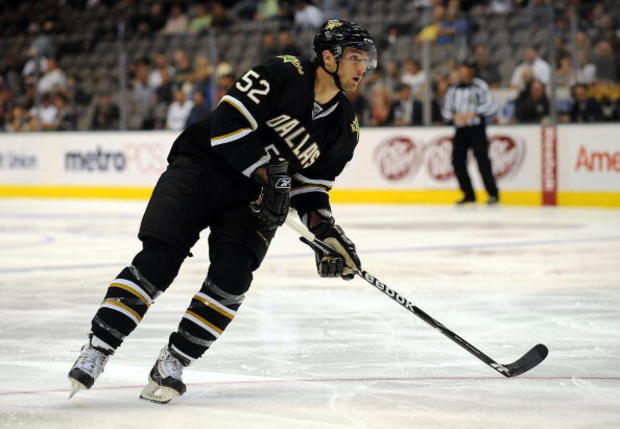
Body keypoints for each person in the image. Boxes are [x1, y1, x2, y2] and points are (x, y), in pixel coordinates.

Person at [68, 19, 376, 404]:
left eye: (366, 59)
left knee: (233, 278)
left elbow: (312, 189)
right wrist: (270, 174)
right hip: (202, 167)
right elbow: (228, 123)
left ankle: (173, 362)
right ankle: (99, 347)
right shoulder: (282, 72)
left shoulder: (345, 127)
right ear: (328, 57)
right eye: (354, 57)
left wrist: (327, 233)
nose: (363, 67)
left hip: (253, 197)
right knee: (159, 259)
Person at [442, 61, 499, 205]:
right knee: (457, 162)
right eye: (461, 72)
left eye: (465, 72)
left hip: (477, 128)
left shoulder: (480, 86)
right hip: (460, 130)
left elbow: (491, 106)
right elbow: (446, 109)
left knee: (483, 161)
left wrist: (475, 113)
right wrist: (453, 116)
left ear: (471, 72)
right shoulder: (453, 89)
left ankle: (493, 194)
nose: (462, 74)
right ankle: (468, 194)